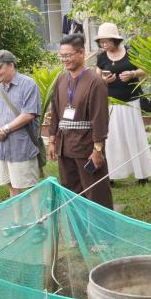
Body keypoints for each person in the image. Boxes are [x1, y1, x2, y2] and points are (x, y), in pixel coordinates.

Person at [45, 35, 114, 210]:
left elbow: (100, 119)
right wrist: (52, 140)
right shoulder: (61, 80)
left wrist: (98, 149)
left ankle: (100, 228)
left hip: (86, 147)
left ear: (82, 53)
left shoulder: (95, 82)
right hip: (64, 146)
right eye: (62, 56)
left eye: (68, 55)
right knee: (71, 192)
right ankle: (77, 227)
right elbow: (55, 112)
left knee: (96, 192)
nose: (64, 59)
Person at [94, 23, 151, 185]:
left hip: (131, 102)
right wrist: (104, 81)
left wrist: (133, 73)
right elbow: (96, 79)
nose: (103, 44)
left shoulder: (130, 52)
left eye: (106, 41)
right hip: (111, 104)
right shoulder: (102, 57)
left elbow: (146, 70)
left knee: (135, 137)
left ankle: (142, 174)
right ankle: (112, 176)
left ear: (115, 40)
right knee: (112, 140)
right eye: (101, 42)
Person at [0, 49, 42, 198]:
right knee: (11, 186)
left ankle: (38, 214)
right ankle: (17, 214)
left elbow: (29, 114)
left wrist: (5, 129)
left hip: (22, 147)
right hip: (3, 148)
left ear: (11, 65)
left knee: (30, 187)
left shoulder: (28, 84)